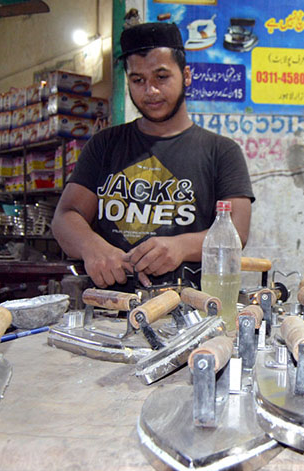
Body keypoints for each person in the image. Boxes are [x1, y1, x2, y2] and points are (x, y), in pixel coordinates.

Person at [52, 21, 254, 289]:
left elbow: (237, 233)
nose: (151, 91)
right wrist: (92, 246)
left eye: (162, 77)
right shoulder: (105, 144)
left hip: (190, 308)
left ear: (186, 76)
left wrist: (181, 246)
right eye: (138, 80)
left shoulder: (221, 151)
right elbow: (65, 216)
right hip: (107, 307)